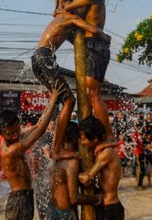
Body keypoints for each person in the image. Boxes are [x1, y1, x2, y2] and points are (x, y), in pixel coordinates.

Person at [31, 9, 110, 159]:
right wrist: (105, 37)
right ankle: (56, 148)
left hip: (37, 59)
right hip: (45, 58)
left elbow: (76, 40)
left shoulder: (59, 20)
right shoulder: (71, 17)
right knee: (69, 101)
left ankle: (52, 142)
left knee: (58, 99)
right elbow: (92, 29)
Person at [0, 83, 61, 220]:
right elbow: (40, 131)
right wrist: (53, 101)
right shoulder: (11, 149)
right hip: (19, 200)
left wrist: (49, 102)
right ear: (1, 133)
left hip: (23, 197)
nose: (16, 135)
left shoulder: (14, 137)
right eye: (11, 133)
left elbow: (38, 124)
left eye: (18, 130)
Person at [60, 0, 114, 140]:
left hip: (96, 46)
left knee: (93, 94)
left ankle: (109, 135)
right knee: (89, 93)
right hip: (90, 44)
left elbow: (68, 7)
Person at [49, 121, 100, 220]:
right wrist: (97, 199)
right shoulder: (72, 161)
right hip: (65, 216)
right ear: (76, 139)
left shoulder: (56, 157)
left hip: (53, 211)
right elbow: (74, 198)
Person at [78, 116, 126, 220]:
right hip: (106, 206)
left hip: (110, 207)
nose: (82, 143)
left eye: (84, 139)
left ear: (94, 139)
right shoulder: (102, 149)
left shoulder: (106, 153)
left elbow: (87, 178)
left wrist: (73, 174)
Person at [131, 124, 146, 189]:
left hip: (142, 152)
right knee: (140, 168)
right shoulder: (135, 134)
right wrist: (143, 148)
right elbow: (135, 144)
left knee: (142, 168)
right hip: (138, 152)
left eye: (140, 126)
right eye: (138, 127)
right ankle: (139, 184)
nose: (139, 128)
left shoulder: (141, 134)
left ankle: (141, 183)